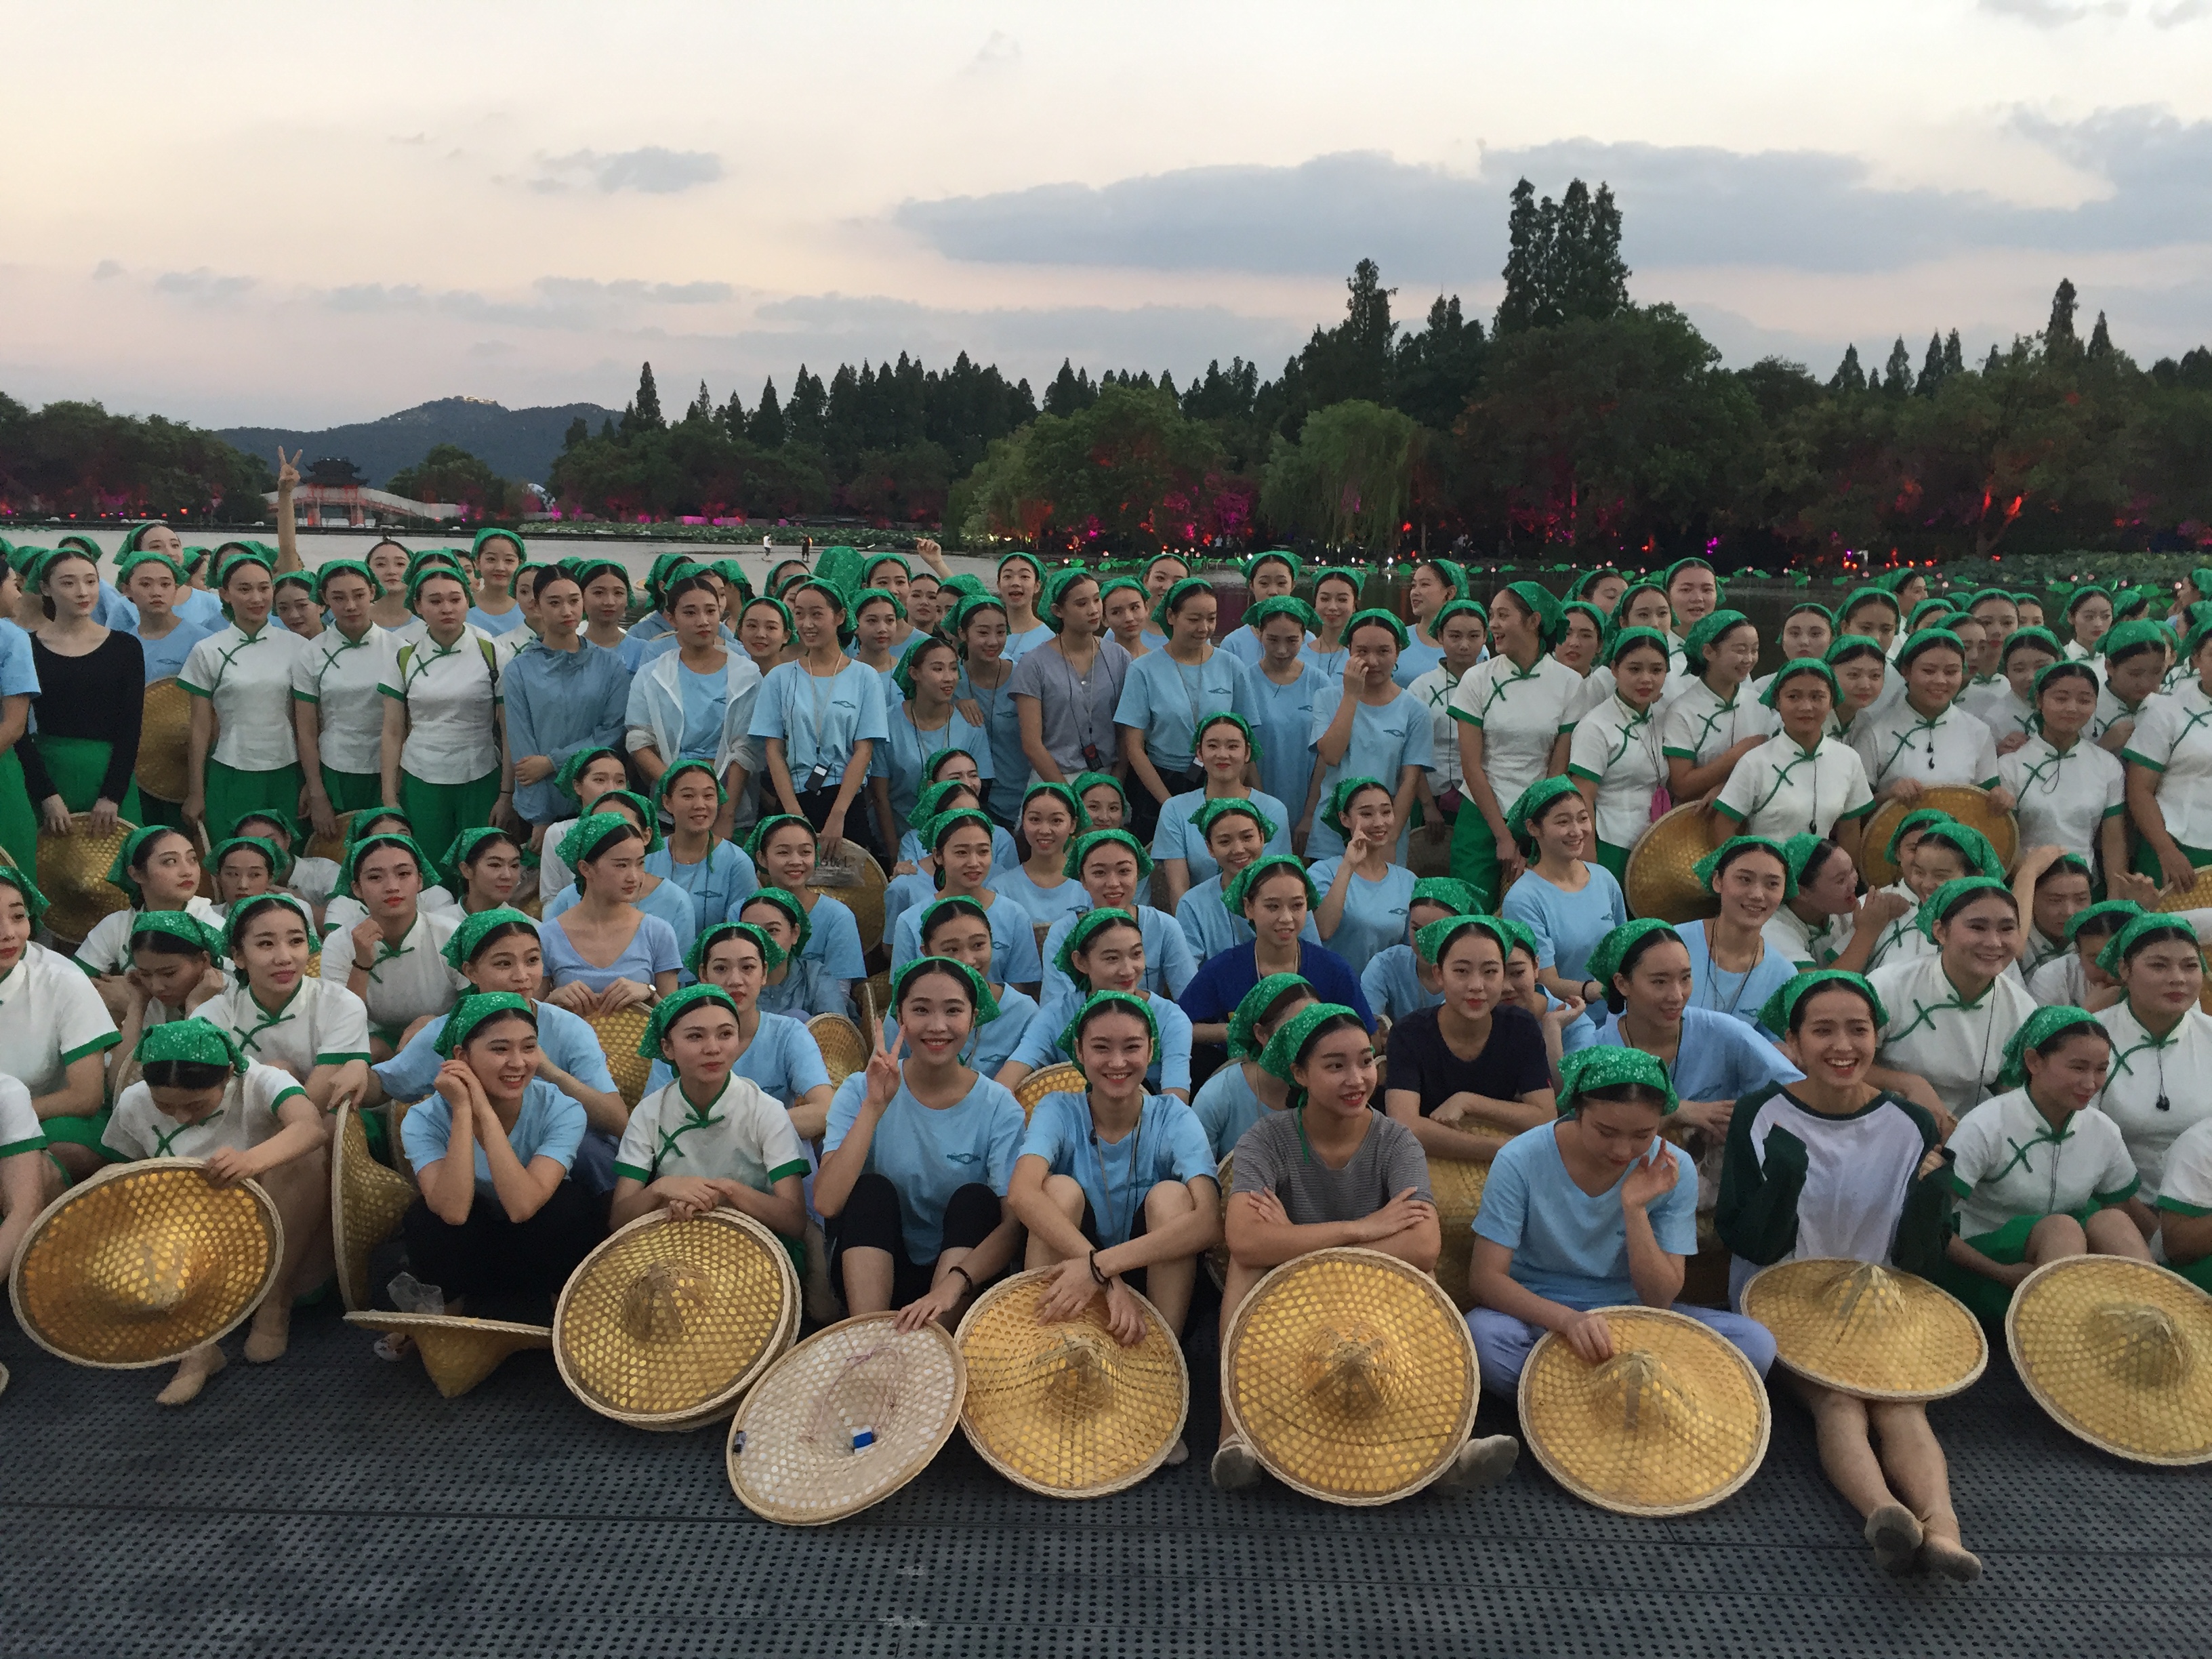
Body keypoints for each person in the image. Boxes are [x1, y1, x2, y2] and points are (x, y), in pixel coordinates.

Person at [1717, 972, 1980, 1582]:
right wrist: (1784, 1179)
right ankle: (1883, 1511)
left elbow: (1918, 1254)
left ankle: (1944, 1528)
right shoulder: (1761, 1113)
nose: (1843, 1046)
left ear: (1877, 1037)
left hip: (1876, 1298)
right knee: (1838, 1400)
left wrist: (1933, 1202)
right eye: (1823, 1031)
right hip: (1784, 1292)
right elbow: (1747, 1236)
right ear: (1793, 1042)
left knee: (1901, 1406)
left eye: (1858, 1030)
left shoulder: (1910, 1123)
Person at [1210, 1002, 1521, 1494]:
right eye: (1335, 1066)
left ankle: (1447, 1446)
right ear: (1300, 1073)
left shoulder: (1397, 1141)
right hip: (1288, 1300)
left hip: (1372, 1297)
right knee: (1244, 1270)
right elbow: (1246, 1241)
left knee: (1425, 1277)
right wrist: (1362, 1228)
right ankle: (1234, 1437)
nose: (1357, 1078)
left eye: (1365, 1061)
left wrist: (1294, 1239)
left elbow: (1423, 1245)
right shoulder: (1265, 1140)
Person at [1466, 1046, 1778, 1394]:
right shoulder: (1519, 1159)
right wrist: (1568, 1321)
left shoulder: (1671, 1169)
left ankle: (1571, 1394)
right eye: (1605, 1132)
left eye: (1642, 1135)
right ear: (1577, 1111)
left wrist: (1635, 1209)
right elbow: (1486, 1279)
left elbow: (1659, 1298)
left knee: (1755, 1344)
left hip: (1633, 1314)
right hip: (1540, 1313)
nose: (1622, 1151)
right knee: (1485, 1337)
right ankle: (1634, 1396)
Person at [1010, 989, 1221, 1424]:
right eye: (1101, 1048)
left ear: (1151, 1050)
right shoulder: (1058, 1107)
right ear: (1080, 1052)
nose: (1117, 1062)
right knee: (1058, 1190)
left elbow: (1208, 1222)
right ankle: (1043, 1357)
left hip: (1152, 1280)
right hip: (1072, 1276)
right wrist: (1103, 1278)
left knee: (1172, 1197)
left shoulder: (1173, 1115)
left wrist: (1101, 1268)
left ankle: (1158, 1378)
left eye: (1132, 1047)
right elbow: (1022, 1193)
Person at [98, 1020, 332, 1403]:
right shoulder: (134, 1101)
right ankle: (198, 1348)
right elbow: (126, 1169)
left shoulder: (261, 1080)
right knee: (115, 1185)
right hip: (186, 1232)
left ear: (227, 1075)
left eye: (195, 1105)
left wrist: (250, 1161)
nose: (180, 1117)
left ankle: (274, 1301)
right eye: (165, 1105)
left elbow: (310, 1128)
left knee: (303, 1160)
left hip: (271, 1222)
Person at [816, 958, 1027, 1327]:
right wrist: (873, 1107)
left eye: (953, 1010)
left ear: (973, 1018)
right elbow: (827, 1203)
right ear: (900, 1016)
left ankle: (935, 1340)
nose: (937, 1026)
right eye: (921, 1010)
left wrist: (951, 1287)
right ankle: (869, 1337)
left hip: (960, 1283)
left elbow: (1012, 1227)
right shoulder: (860, 1089)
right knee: (871, 1191)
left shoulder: (999, 1106)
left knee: (976, 1201)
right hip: (876, 1269)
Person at [367, 906, 623, 1181]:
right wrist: (352, 1065)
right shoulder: (444, 1032)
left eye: (532, 960)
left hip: (570, 1171)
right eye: (503, 964)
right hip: (479, 1174)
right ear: (471, 971)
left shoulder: (568, 1028)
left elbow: (619, 1121)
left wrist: (550, 1071)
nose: (522, 976)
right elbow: (383, 1086)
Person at [1935, 1008, 2150, 1324]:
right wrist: (2001, 1272)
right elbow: (1931, 1222)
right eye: (2078, 1067)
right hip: (1988, 1265)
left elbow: (2123, 1209)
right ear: (2034, 1061)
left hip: (2066, 1260)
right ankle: (2055, 1335)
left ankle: (2153, 1318)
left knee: (2112, 1220)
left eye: (2101, 1069)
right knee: (2062, 1229)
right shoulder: (1986, 1125)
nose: (2091, 1083)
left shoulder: (2102, 1130)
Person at [397, 992, 604, 1319]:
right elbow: (453, 1212)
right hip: (473, 1254)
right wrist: (463, 1110)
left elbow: (523, 1207)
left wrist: (484, 1112)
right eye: (500, 1049)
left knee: (568, 1206)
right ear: (461, 1057)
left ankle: (563, 1310)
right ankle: (449, 1316)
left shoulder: (562, 1109)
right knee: (426, 1217)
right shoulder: (423, 1119)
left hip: (537, 1250)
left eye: (529, 1047)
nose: (518, 1063)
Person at [1582, 918, 1803, 1210]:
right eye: (1659, 982)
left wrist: (1745, 1119)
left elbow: (1797, 1092)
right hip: (1623, 1199)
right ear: (1622, 984)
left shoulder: (1722, 1032)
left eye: (1685, 978)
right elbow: (1594, 1139)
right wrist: (1678, 1111)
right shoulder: (1599, 1054)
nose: (1677, 996)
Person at [608, 982, 811, 1258]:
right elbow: (618, 1220)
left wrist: (726, 1192)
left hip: (757, 1246)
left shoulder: (766, 1111)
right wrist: (660, 1189)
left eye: (725, 1034)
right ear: (667, 1048)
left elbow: (794, 1221)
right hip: (672, 1242)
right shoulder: (650, 1112)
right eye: (695, 1036)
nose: (713, 1048)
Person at [1380, 915, 1559, 1162]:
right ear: (1439, 974)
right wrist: (1496, 1150)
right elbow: (1405, 1125)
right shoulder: (1410, 1034)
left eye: (1490, 971)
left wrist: (1469, 1102)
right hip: (1427, 1162)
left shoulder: (1520, 1028)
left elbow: (1545, 1116)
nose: (1476, 985)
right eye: (1462, 971)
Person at [1448, 581, 1582, 909]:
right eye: (1492, 615)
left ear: (1534, 621)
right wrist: (1503, 836)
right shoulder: (1477, 679)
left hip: (1539, 815)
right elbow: (1471, 765)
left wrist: (1533, 830)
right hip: (1480, 813)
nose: (1493, 624)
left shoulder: (1569, 683)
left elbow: (1557, 769)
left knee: (1531, 913)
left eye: (1503, 615)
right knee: (1470, 913)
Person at [1868, 878, 2038, 1122]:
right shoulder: (1891, 985)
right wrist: (1908, 1084)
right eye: (1978, 927)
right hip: (1882, 1116)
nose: (1994, 942)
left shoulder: (2021, 1009)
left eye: (2007, 929)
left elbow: (2012, 1095)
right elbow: (1842, 1064)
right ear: (1940, 932)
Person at [377, 567, 512, 861]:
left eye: (455, 599)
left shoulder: (494, 655)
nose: (447, 608)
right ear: (418, 606)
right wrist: (389, 797)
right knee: (428, 862)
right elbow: (392, 731)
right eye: (435, 601)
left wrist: (506, 794)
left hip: (480, 775)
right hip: (421, 777)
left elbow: (507, 730)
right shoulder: (404, 658)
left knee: (479, 862)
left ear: (468, 601)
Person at [1113, 577, 1259, 845]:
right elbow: (1134, 746)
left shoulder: (1231, 666)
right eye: (1194, 619)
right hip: (1159, 783)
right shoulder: (1144, 669)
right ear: (1171, 616)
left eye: (1211, 619)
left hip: (1220, 779)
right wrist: (1169, 804)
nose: (1204, 628)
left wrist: (1231, 792)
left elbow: (1247, 737)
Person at [0, 863, 123, 1180]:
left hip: (56, 1117)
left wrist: (9, 1118)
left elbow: (85, 1096)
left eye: (18, 916)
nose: (8, 933)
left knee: (44, 1158)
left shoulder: (61, 979)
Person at [749, 578, 886, 861]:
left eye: (816, 614)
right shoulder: (779, 678)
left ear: (840, 616)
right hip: (794, 796)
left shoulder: (865, 677)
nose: (807, 624)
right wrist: (794, 815)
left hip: (845, 800)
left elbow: (864, 750)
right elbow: (774, 751)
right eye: (799, 614)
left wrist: (838, 815)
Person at [1175, 855, 1372, 1050]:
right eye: (1272, 907)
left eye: (1297, 906)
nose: (1286, 918)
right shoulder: (1224, 969)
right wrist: (1233, 1031)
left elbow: (1368, 1036)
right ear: (1248, 907)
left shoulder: (1333, 970)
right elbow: (1178, 1025)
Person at [1001, 907, 1195, 1100]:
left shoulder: (1171, 1019)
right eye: (1112, 958)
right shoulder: (1056, 1014)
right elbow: (1012, 1074)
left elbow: (1175, 1100)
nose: (1128, 970)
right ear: (1080, 962)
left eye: (1136, 954)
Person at [2089, 911, 2212, 1217]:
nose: (2178, 978)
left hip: (2201, 1213)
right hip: (2115, 1209)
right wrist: (2150, 1226)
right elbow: (2079, 1143)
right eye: (2159, 965)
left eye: (2190, 966)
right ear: (2124, 969)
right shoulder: (2090, 1038)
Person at [182, 550, 312, 838]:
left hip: (287, 771)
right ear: (224, 594)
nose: (256, 598)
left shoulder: (298, 647)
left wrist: (311, 784)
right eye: (244, 589)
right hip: (231, 770)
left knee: (286, 855)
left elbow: (307, 724)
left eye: (264, 588)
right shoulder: (208, 650)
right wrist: (196, 791)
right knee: (233, 853)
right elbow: (200, 728)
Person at [20, 545, 146, 834]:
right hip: (49, 768)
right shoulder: (26, 648)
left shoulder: (125, 648)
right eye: (68, 583)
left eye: (91, 581)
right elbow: (18, 729)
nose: (83, 592)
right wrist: (45, 794)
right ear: (45, 588)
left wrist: (113, 794)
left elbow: (131, 725)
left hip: (109, 770)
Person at [501, 565, 632, 833]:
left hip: (598, 800)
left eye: (574, 601)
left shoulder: (610, 665)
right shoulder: (519, 670)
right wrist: (539, 818)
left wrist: (553, 762)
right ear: (536, 606)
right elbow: (524, 754)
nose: (567, 611)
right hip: (541, 805)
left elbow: (612, 733)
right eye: (554, 603)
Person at [316, 834, 470, 1059]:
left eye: (403, 874)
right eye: (375, 877)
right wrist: (361, 964)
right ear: (357, 889)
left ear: (420, 881)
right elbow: (340, 1024)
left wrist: (436, 1023)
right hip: (376, 1042)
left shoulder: (451, 934)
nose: (392, 887)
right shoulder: (340, 942)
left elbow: (477, 1005)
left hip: (446, 1038)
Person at [1711, 657, 1875, 856]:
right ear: (1778, 701)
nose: (1806, 707)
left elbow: (1849, 830)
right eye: (1793, 697)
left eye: (1817, 697)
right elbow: (1724, 824)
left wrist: (1845, 874)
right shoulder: (1754, 762)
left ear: (1832, 701)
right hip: (1768, 872)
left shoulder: (1848, 760)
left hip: (1822, 874)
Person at [1498, 777, 1626, 1008]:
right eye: (1563, 822)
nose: (1576, 831)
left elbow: (1623, 952)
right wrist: (1599, 991)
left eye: (1583, 818)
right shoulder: (1523, 899)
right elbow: (1545, 981)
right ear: (1533, 828)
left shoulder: (1604, 879)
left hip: (1616, 1016)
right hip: (1562, 1019)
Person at [538, 814, 682, 1015]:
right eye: (621, 865)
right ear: (585, 868)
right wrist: (553, 1000)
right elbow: (528, 1018)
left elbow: (675, 1020)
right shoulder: (548, 936)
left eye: (640, 864)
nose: (634, 877)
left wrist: (649, 993)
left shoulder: (657, 932)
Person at [290, 560, 396, 834]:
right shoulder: (311, 653)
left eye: (359, 595)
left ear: (372, 592)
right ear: (323, 599)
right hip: (336, 770)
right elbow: (306, 731)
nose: (350, 606)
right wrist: (317, 792)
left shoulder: (399, 650)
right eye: (338, 598)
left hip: (390, 770)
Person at [888, 808, 1045, 988]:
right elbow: (902, 992)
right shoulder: (911, 920)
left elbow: (1021, 989)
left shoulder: (1014, 915)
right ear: (938, 856)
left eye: (983, 851)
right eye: (962, 852)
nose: (974, 863)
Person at [1849, 628, 2006, 807]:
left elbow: (1987, 804)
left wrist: (1999, 799)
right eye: (1929, 671)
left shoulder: (1978, 732)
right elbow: (1855, 810)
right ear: (1906, 672)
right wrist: (1888, 796)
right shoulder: (1876, 732)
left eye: (1951, 672)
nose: (1940, 681)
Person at [885, 899, 1040, 1080]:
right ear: (926, 952)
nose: (968, 960)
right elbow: (887, 1075)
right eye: (951, 949)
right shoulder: (907, 1009)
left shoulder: (1023, 1012)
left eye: (978, 945)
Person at [1151, 712, 1292, 909]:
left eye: (1233, 746)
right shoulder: (1175, 809)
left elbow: (1275, 879)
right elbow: (1178, 888)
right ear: (1199, 753)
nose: (1223, 755)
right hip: (1199, 916)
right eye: (1213, 746)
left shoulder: (1272, 809)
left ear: (1247, 752)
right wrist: (1190, 925)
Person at [1039, 830, 1197, 1003]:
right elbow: (1057, 1007)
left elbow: (1191, 1000)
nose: (1113, 883)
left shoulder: (1163, 927)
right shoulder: (1062, 933)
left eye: (1124, 871)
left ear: (1138, 874)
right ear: (1082, 879)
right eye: (1099, 873)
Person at [1010, 569, 1130, 794]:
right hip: (1053, 782)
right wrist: (1067, 796)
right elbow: (1032, 744)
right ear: (1058, 611)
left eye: (1097, 600)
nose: (1093, 610)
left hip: (1107, 781)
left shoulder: (1119, 657)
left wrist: (1115, 784)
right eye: (1081, 604)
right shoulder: (1034, 664)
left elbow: (1127, 731)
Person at [1564, 626, 1670, 882]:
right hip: (1610, 846)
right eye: (1634, 669)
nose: (1646, 679)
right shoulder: (1595, 727)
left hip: (1656, 848)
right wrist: (1588, 867)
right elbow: (1582, 798)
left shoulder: (1664, 719)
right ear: (1614, 669)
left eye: (1657, 670)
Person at [73, 825, 224, 998]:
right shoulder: (117, 925)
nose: (187, 871)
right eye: (170, 862)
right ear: (136, 874)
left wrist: (131, 999)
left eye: (193, 859)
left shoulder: (212, 926)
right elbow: (72, 984)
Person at [875, 634, 993, 848]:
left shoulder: (970, 723)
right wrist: (893, 851)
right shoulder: (886, 723)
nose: (948, 678)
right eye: (938, 669)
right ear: (914, 673)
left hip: (957, 842)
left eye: (953, 668)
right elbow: (879, 797)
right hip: (899, 839)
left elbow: (978, 791)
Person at [2123, 613, 2212, 891]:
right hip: (2176, 847)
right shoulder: (2167, 711)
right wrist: (2166, 850)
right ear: (2196, 659)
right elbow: (2139, 789)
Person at [1174, 797, 1322, 963]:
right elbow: (1188, 972)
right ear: (1210, 848)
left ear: (1262, 838)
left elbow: (1314, 958)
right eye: (1225, 841)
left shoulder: (1292, 890)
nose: (1238, 849)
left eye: (1247, 837)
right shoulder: (1192, 904)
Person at [1677, 838, 1801, 1031]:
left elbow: (1771, 1045)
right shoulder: (1672, 943)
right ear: (1717, 881)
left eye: (1772, 884)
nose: (1757, 894)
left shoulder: (1782, 975)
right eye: (1745, 879)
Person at [1189, 973, 1317, 1160]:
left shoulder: (1328, 1087)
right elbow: (1196, 1170)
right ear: (1261, 1033)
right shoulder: (1218, 1096)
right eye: (1294, 1028)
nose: (1307, 1039)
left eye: (1314, 1027)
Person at [744, 813, 867, 1002]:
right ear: (761, 858)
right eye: (783, 852)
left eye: (805, 852)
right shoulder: (741, 911)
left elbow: (840, 993)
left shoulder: (838, 916)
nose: (796, 861)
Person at [1661, 610, 1774, 802]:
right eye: (1740, 650)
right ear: (1709, 652)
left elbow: (1773, 768)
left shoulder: (1759, 704)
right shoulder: (1682, 711)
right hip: (1697, 815)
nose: (1749, 659)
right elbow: (1682, 787)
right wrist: (1739, 752)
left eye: (1754, 650)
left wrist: (1728, 788)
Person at [1404, 598, 1487, 859]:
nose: (1464, 645)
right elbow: (1412, 753)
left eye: (1474, 636)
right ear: (1440, 636)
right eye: (1455, 636)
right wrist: (1428, 805)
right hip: (1429, 797)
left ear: (1486, 637)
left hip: (1482, 799)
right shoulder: (1421, 688)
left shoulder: (1495, 686)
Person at [1308, 778, 1417, 968]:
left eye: (1386, 812)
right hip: (1335, 983)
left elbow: (1411, 951)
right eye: (1366, 814)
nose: (1379, 822)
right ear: (1344, 819)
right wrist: (1348, 865)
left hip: (1384, 986)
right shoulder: (1322, 873)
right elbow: (1323, 930)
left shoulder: (1408, 881)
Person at [644, 760, 758, 936]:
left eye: (708, 796)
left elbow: (742, 935)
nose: (699, 805)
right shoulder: (647, 856)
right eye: (688, 796)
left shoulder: (737, 863)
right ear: (667, 802)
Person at [1246, 596, 1330, 831]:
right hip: (1256, 803)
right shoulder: (1245, 682)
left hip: (1308, 800)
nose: (1282, 650)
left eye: (1292, 640)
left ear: (1304, 637)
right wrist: (1261, 809)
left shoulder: (1319, 683)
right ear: (1259, 634)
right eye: (1272, 640)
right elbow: (1243, 752)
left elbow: (1325, 755)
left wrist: (1310, 814)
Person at [946, 593, 1025, 828]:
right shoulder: (949, 680)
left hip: (1019, 799)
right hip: (965, 802)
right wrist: (952, 704)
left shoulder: (1024, 677)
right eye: (983, 633)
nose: (993, 641)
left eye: (1001, 632)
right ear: (962, 633)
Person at [989, 781, 1090, 935]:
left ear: (1073, 825)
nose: (1044, 830)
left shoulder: (1090, 885)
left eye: (1056, 821)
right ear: (1023, 822)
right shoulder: (1000, 889)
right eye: (1035, 820)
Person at [739, 890, 851, 1021]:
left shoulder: (814, 977)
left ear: (795, 933)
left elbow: (835, 1028)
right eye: (751, 931)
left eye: (772, 930)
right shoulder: (730, 978)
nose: (762, 940)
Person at [1218, 550, 1303, 668]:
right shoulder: (1233, 645)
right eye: (1264, 583)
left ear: (1292, 585)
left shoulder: (1309, 642)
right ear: (1252, 585)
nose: (1273, 592)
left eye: (1281, 583)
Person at [1391, 557, 1466, 687]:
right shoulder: (1398, 638)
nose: (1414, 592)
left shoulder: (1472, 645)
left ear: (1450, 593)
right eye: (1414, 585)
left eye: (1424, 584)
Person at [443, 825, 525, 918]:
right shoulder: (436, 923)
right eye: (495, 865)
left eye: (514, 866)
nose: (507, 875)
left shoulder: (526, 925)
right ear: (466, 870)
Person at [1300, 567, 1361, 680]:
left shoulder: (1362, 657)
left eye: (1342, 600)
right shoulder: (1297, 655)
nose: (1332, 607)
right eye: (1325, 599)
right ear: (1315, 602)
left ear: (1354, 605)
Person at [1099, 575, 1153, 663]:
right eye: (1116, 612)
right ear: (1104, 619)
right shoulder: (1098, 664)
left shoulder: (1159, 662)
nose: (1129, 618)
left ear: (1146, 608)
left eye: (1135, 608)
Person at [2063, 585, 2114, 664]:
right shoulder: (2060, 659)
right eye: (2089, 617)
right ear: (2071, 617)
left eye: (2106, 616)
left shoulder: (2118, 659)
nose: (2098, 624)